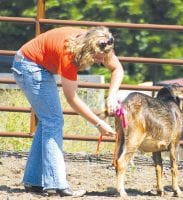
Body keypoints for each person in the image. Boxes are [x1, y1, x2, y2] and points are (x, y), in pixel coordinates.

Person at [11, 26, 124, 197]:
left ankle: (34, 180)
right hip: (28, 65)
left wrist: (111, 97)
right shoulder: (70, 54)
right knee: (53, 121)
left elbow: (117, 69)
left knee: (48, 121)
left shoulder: (102, 43)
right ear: (87, 52)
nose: (101, 62)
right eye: (97, 59)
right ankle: (57, 185)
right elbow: (72, 98)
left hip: (38, 65)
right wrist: (98, 123)